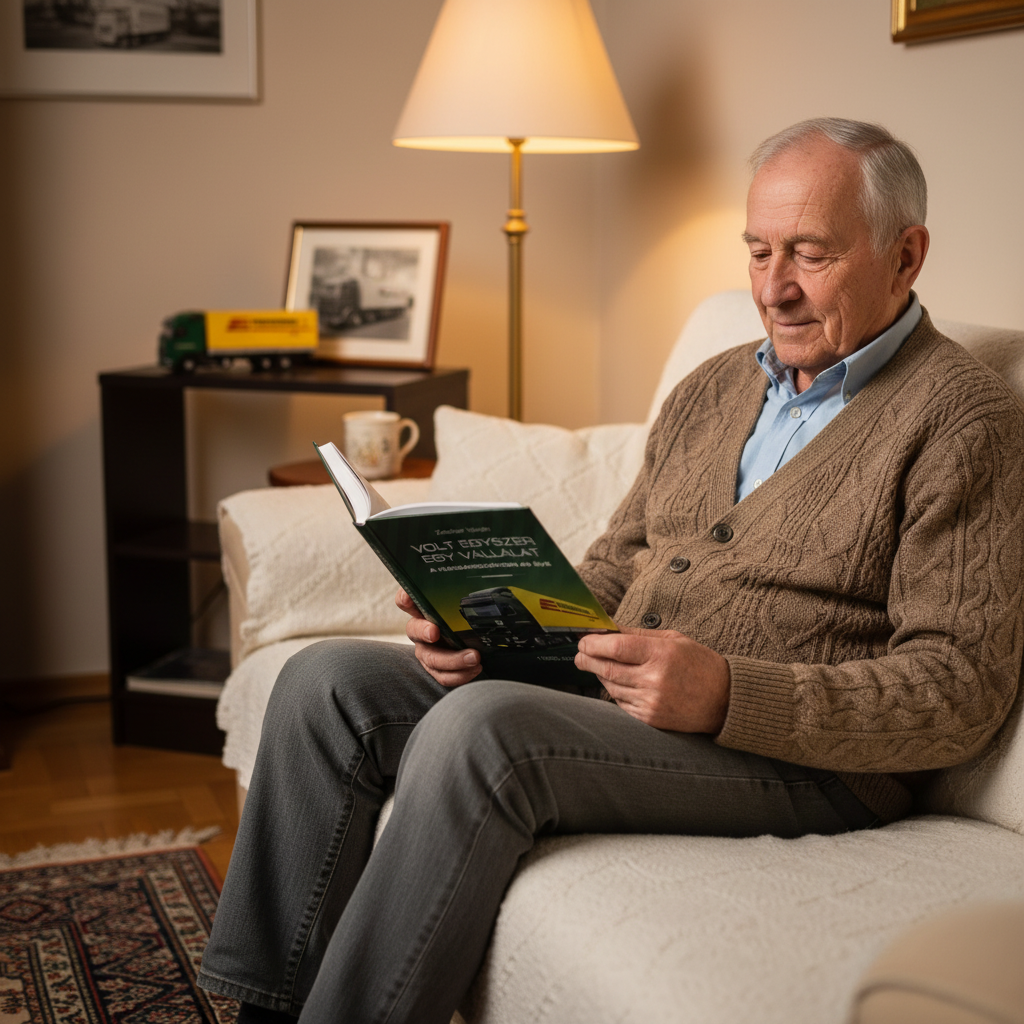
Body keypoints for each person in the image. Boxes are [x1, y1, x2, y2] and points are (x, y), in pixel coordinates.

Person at [197, 118, 1024, 1024]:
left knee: (485, 731)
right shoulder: (714, 385)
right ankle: (265, 1011)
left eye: (810, 255)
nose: (774, 290)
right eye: (757, 253)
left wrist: (730, 694)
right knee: (327, 682)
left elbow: (959, 690)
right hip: (621, 699)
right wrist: (497, 630)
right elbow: (612, 570)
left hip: (800, 760)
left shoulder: (964, 421)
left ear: (906, 256)